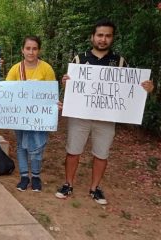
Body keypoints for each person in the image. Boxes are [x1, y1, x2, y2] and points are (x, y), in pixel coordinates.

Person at [55, 19, 154, 204]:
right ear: (92, 37)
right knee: (73, 151)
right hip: (80, 116)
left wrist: (146, 88)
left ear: (112, 38)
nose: (103, 39)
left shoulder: (120, 62)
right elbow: (71, 90)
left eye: (107, 36)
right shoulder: (79, 59)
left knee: (101, 154)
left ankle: (95, 189)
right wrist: (66, 83)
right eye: (100, 35)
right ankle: (68, 184)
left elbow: (131, 89)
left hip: (107, 118)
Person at [5, 36, 57, 192]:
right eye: (28, 48)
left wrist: (55, 105)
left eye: (34, 48)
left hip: (39, 117)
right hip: (20, 116)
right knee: (21, 146)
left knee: (37, 146)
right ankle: (23, 177)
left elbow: (52, 93)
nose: (31, 52)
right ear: (22, 50)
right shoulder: (16, 69)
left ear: (39, 50)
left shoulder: (46, 69)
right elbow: (6, 92)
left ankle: (35, 176)